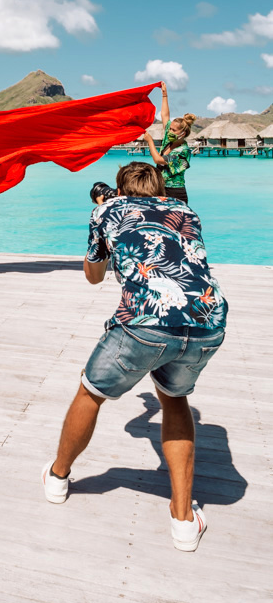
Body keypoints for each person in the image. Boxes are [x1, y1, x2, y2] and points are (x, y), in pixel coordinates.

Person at [41, 161, 228, 552]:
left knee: (90, 393)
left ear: (119, 189)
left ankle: (58, 478)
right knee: (175, 398)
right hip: (208, 322)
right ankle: (183, 521)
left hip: (143, 323)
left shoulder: (106, 209)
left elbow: (93, 275)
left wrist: (101, 211)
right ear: (160, 185)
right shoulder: (187, 211)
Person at [141, 81, 197, 203]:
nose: (169, 131)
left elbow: (159, 160)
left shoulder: (183, 151)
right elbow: (165, 116)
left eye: (173, 130)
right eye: (170, 129)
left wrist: (150, 141)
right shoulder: (169, 139)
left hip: (175, 193)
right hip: (160, 188)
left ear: (183, 133)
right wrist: (165, 95)